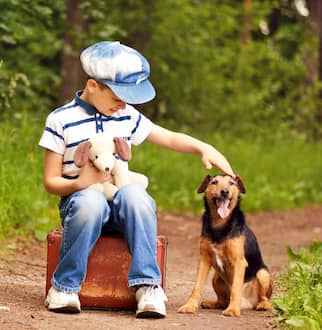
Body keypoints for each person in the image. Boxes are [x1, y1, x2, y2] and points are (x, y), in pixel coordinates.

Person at [39, 41, 234, 318]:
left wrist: (204, 147)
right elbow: (50, 181)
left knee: (136, 195)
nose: (123, 105)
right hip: (81, 206)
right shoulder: (61, 120)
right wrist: (78, 184)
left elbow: (168, 137)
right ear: (93, 85)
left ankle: (147, 285)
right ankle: (65, 287)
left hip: (121, 207)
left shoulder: (126, 115)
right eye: (118, 97)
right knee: (91, 200)